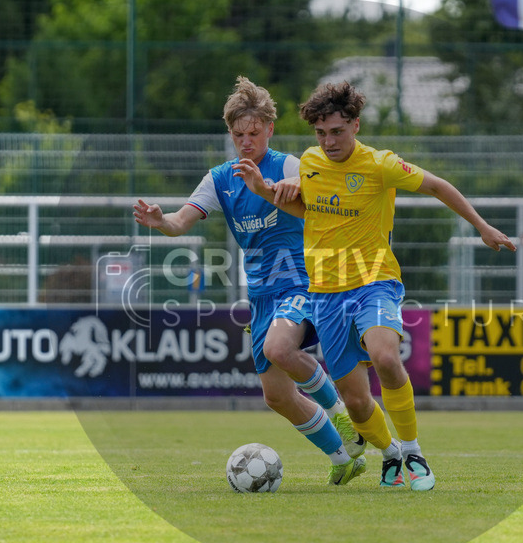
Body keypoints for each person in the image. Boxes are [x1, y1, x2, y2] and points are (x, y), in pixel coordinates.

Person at [240, 81, 516, 491]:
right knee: (354, 400)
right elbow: (307, 209)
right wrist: (265, 191)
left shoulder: (380, 164)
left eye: (337, 131)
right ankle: (390, 457)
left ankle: (413, 451)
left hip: (375, 283)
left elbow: (438, 186)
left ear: (355, 125)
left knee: (386, 358)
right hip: (326, 294)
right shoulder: (311, 164)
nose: (329, 141)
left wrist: (482, 226)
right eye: (321, 133)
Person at [132, 77, 367, 486]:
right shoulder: (219, 179)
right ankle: (343, 458)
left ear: (269, 130)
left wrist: (285, 188)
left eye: (254, 134)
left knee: (279, 348)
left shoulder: (291, 166)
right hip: (260, 296)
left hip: (302, 284)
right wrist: (160, 221)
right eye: (238, 135)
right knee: (276, 396)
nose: (246, 142)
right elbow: (179, 223)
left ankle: (342, 415)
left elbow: (320, 208)